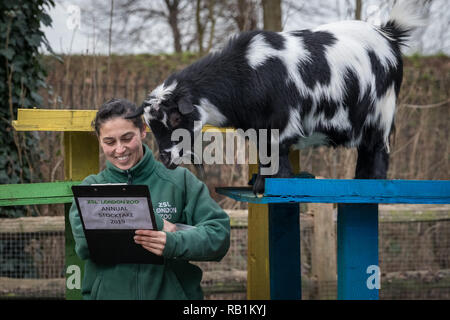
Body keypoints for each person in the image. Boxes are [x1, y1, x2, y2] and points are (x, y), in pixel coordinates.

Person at [69, 98, 230, 300]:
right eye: (109, 142)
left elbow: (219, 236)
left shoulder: (180, 181)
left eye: (127, 138)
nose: (119, 150)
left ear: (143, 130)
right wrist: (159, 224)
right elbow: (85, 246)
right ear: (99, 140)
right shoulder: (90, 188)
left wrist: (174, 241)